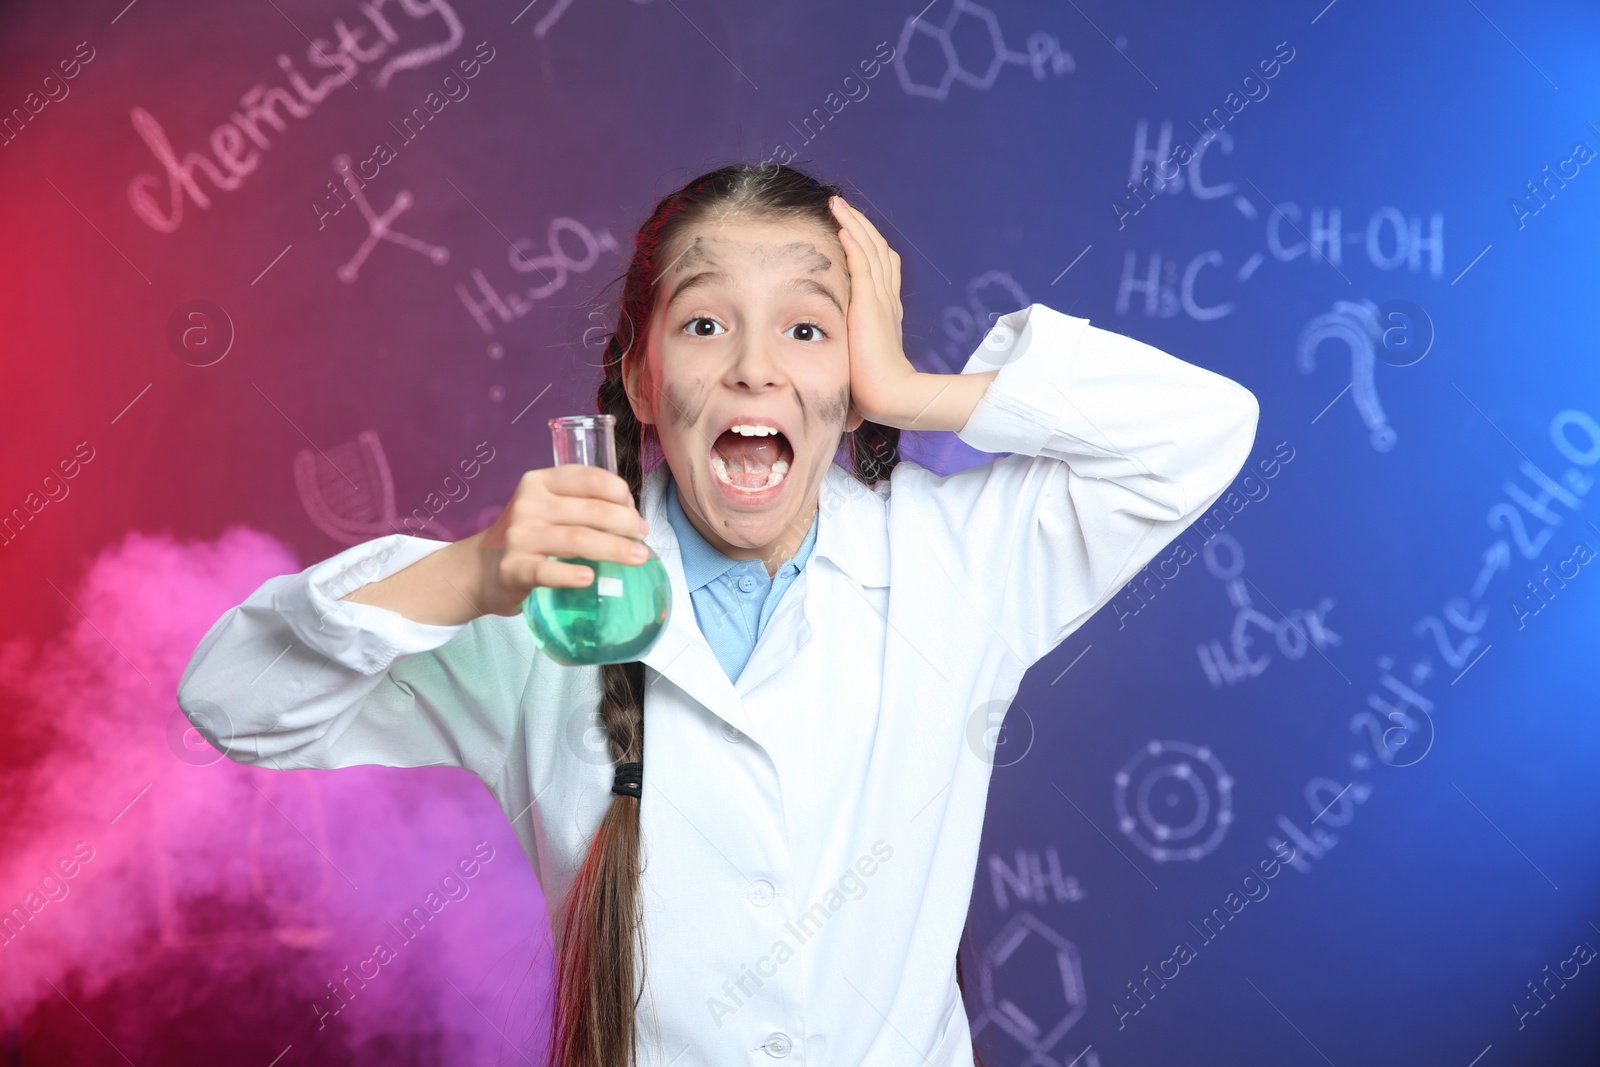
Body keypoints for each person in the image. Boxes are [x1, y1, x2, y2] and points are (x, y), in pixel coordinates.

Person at [177, 162, 1259, 1067]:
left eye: (806, 328)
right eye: (703, 324)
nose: (753, 366)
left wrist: (913, 386)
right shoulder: (539, 599)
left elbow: (1202, 430)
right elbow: (231, 698)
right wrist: (465, 576)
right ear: (642, 381)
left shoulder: (954, 563)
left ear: (851, 374)